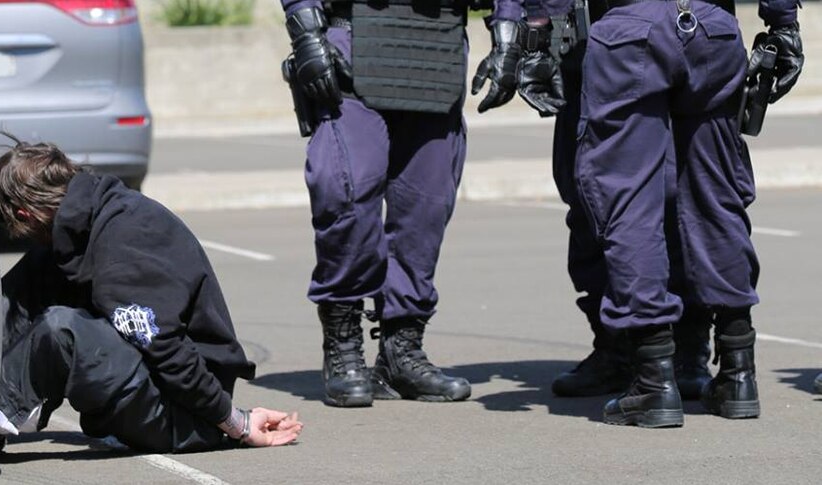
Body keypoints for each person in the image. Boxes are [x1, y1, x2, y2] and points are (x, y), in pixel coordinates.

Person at [280, 0, 526, 406]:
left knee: (426, 207)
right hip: (353, 37)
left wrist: (509, 34)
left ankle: (401, 350)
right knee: (346, 192)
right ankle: (342, 346)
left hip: (436, 45)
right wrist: (305, 29)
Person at [0, 139, 303, 452]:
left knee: (61, 329)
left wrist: (239, 424)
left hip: (184, 414)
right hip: (146, 388)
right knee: (26, 284)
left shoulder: (124, 242)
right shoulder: (85, 221)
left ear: (25, 214)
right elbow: (6, 309)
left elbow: (169, 352)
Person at [571, 0, 803, 427]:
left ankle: (654, 379)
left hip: (630, 30)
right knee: (717, 199)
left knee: (629, 202)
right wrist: (784, 22)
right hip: (711, 30)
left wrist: (526, 30)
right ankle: (738, 373)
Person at [516, 0, 714, 400]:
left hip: (678, 34)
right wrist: (534, 35)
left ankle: (685, 347)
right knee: (590, 201)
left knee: (680, 198)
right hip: (588, 41)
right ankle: (617, 346)